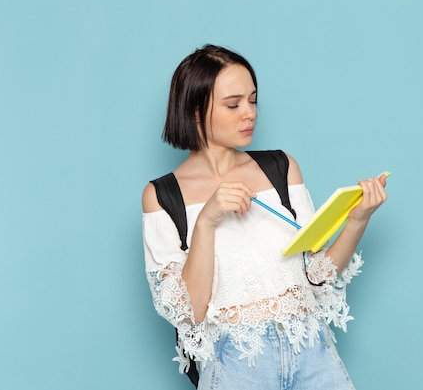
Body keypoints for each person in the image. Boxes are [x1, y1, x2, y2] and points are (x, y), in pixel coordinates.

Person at [142, 44, 387, 390]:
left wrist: (358, 220)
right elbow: (190, 312)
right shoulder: (164, 196)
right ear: (195, 110)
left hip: (310, 350)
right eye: (233, 104)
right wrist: (207, 220)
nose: (250, 113)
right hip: (237, 365)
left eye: (252, 100)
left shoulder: (281, 168)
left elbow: (316, 278)